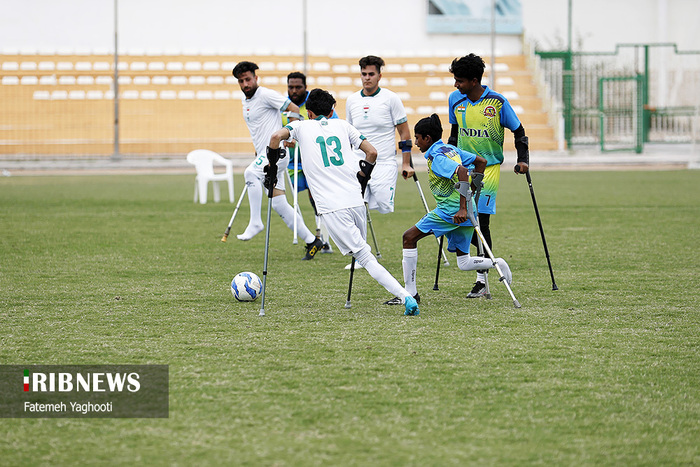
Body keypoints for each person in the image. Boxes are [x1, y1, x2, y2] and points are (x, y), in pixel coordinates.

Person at [268, 89, 420, 316]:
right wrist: (363, 178)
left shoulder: (299, 127)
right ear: (331, 111)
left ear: (308, 113)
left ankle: (406, 296)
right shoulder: (344, 126)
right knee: (361, 251)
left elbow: (274, 138)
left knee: (364, 256)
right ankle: (405, 294)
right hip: (355, 199)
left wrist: (271, 169)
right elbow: (372, 152)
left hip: (332, 206)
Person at [384, 114, 511, 305]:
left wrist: (461, 207)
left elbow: (460, 171)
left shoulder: (437, 156)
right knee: (464, 262)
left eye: (418, 138)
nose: (416, 142)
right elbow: (481, 162)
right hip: (466, 210)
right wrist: (472, 192)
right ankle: (497, 262)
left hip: (450, 211)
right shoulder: (449, 148)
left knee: (408, 238)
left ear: (427, 138)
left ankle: (410, 294)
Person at [448, 53, 529, 298]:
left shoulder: (497, 102)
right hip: (462, 168)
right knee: (457, 218)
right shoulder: (454, 99)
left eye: (460, 80)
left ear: (474, 80)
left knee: (481, 223)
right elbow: (454, 134)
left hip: (489, 169)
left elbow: (519, 131)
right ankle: (490, 260)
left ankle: (481, 280)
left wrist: (523, 160)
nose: (455, 85)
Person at [232, 61, 323, 260]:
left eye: (248, 79)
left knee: (249, 173)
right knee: (279, 203)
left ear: (256, 78)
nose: (245, 84)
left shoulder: (265, 94)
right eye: (241, 81)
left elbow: (293, 109)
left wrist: (290, 135)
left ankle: (255, 222)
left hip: (276, 153)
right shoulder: (245, 101)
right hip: (263, 154)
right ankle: (312, 240)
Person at [344, 55, 414, 268]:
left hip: (384, 163)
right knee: (357, 205)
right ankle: (361, 254)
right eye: (364, 74)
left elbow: (404, 133)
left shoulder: (391, 99)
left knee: (383, 206)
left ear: (379, 75)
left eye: (371, 74)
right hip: (359, 163)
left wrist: (406, 163)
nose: (367, 78)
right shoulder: (352, 100)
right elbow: (349, 133)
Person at [282, 71, 338, 254]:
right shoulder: (281, 105)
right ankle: (309, 238)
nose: (294, 90)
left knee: (318, 201)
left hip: (315, 162)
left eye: (298, 87)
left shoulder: (317, 104)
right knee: (292, 203)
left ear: (305, 86)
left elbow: (333, 128)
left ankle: (325, 241)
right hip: (291, 164)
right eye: (291, 87)